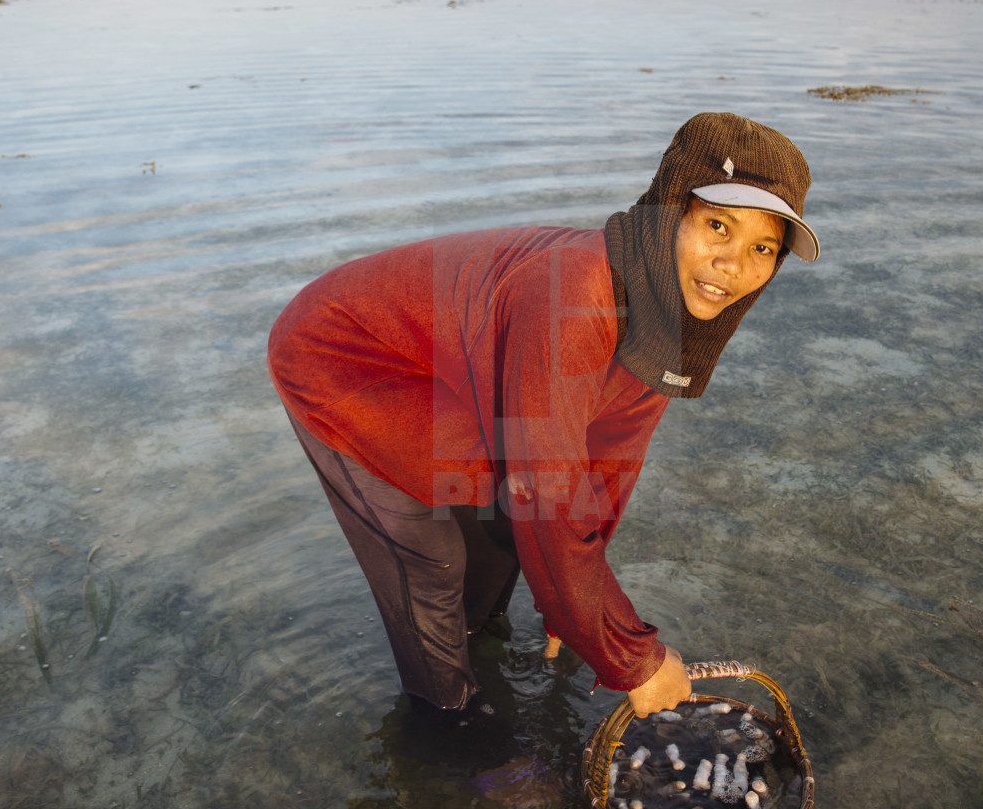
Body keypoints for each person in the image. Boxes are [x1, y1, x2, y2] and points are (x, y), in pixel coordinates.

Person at [267, 111, 818, 726]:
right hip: (344, 355)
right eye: (718, 225)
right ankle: (448, 725)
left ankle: (480, 635)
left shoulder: (668, 311)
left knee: (511, 510)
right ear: (668, 212)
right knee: (430, 555)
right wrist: (631, 655)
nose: (732, 264)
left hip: (447, 369)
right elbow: (547, 496)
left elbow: (609, 461)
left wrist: (573, 615)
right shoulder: (576, 296)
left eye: (762, 247)